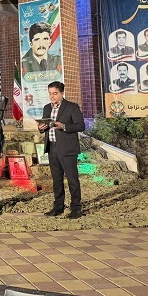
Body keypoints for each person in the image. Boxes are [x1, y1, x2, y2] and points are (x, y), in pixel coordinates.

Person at [38, 81, 85, 219]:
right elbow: (45, 126)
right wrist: (41, 128)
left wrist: (63, 126)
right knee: (57, 180)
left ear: (62, 93)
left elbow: (81, 125)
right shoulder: (47, 108)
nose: (52, 96)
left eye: (55, 93)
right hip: (52, 148)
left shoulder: (72, 107)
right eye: (50, 93)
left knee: (72, 180)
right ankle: (58, 206)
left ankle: (76, 208)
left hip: (67, 149)